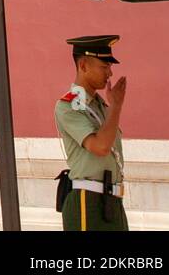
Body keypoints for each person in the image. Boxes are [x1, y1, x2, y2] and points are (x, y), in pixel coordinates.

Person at [54, 35, 128, 232]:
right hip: (88, 201)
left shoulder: (101, 105)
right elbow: (100, 147)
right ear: (84, 65)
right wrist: (116, 107)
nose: (110, 73)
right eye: (104, 67)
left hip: (112, 201)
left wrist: (113, 107)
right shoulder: (70, 105)